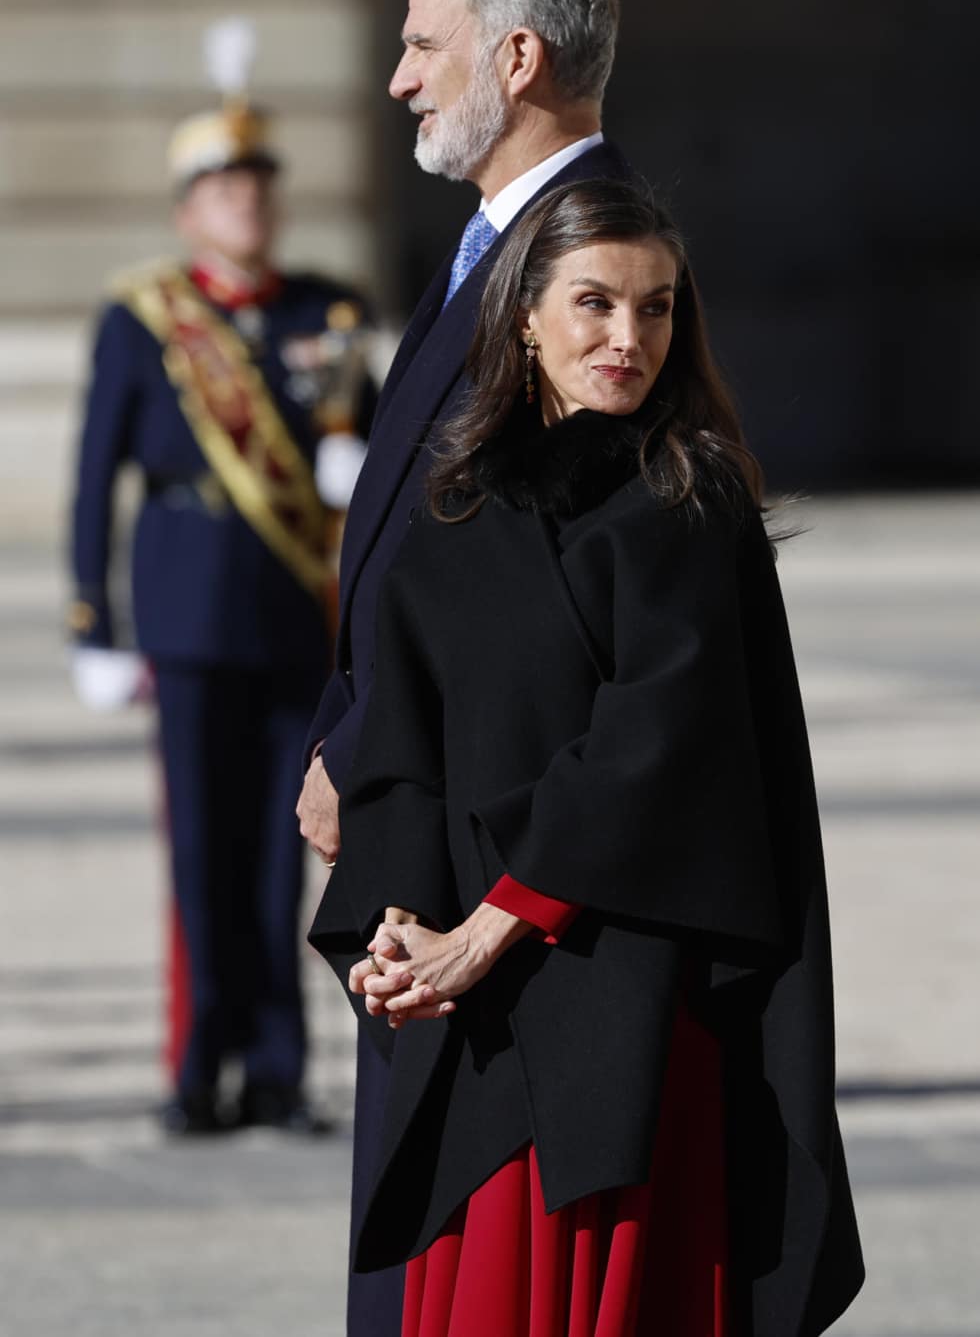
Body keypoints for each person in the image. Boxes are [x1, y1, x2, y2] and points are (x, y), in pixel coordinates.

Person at [310, 178, 865, 1337]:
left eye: (656, 308)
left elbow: (654, 748)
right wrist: (400, 931)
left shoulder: (688, 498)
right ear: (521, 313)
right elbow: (404, 747)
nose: (628, 338)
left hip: (629, 1007)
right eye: (595, 303)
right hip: (477, 1023)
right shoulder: (455, 508)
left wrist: (488, 930)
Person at [294, 0, 633, 1329]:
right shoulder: (496, 244)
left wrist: (370, 743)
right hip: (422, 825)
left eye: (422, 45)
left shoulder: (593, 269)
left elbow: (557, 600)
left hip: (496, 862)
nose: (398, 79)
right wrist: (347, 740)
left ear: (515, 52)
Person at [68, 32, 374, 1136]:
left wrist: (363, 463)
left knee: (281, 859)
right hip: (188, 614)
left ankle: (281, 1070)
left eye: (257, 183)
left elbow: (364, 447)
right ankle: (199, 1069)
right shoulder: (141, 316)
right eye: (222, 185)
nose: (245, 201)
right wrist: (94, 621)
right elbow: (94, 475)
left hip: (298, 615)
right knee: (200, 853)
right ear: (187, 205)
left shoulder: (325, 312)